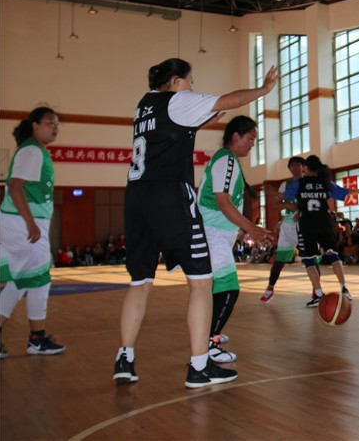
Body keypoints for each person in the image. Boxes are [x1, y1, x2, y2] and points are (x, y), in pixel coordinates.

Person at [114, 57, 278, 388]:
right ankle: (199, 366)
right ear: (177, 81)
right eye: (190, 80)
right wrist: (264, 89)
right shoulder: (178, 99)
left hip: (136, 196)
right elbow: (230, 100)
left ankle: (125, 359)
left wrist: (200, 124)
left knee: (140, 282)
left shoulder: (144, 105)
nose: (193, 86)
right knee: (202, 283)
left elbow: (168, 134)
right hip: (169, 195)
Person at [197, 116, 274, 364]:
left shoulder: (227, 160)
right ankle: (210, 343)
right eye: (251, 138)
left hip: (215, 233)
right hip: (212, 234)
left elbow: (223, 203)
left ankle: (207, 335)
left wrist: (240, 230)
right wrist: (251, 228)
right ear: (236, 136)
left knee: (215, 288)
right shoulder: (226, 161)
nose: (253, 144)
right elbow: (222, 202)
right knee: (229, 288)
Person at [0, 107, 65, 359]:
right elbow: (15, 187)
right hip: (23, 223)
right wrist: (30, 223)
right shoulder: (32, 151)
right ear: (35, 125)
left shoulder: (35, 151)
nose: (55, 127)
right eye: (49, 122)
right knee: (40, 278)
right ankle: (37, 339)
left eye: (57, 124)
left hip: (18, 222)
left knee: (20, 280)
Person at [281, 155, 359, 307]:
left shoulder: (299, 183)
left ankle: (318, 294)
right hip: (324, 222)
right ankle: (344, 288)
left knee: (308, 260)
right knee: (333, 254)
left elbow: (285, 196)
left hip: (307, 223)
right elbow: (346, 191)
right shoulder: (325, 182)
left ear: (306, 167)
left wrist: (274, 194)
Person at [262, 157, 305, 303]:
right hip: (288, 225)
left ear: (303, 167)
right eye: (292, 165)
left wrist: (300, 210)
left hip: (304, 224)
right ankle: (270, 288)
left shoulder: (308, 183)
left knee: (311, 260)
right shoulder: (285, 185)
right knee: (279, 260)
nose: (295, 168)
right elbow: (275, 205)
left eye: (298, 165)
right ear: (289, 168)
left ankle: (316, 291)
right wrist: (287, 206)